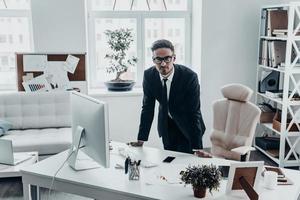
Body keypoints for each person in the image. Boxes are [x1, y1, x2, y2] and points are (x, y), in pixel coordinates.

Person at [129, 39, 210, 157]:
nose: (163, 64)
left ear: (174, 58)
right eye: (158, 59)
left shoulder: (189, 77)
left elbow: (194, 112)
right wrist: (141, 139)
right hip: (166, 126)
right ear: (153, 60)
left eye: (167, 58)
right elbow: (147, 108)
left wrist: (197, 147)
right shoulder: (149, 76)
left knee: (185, 163)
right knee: (169, 161)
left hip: (188, 127)